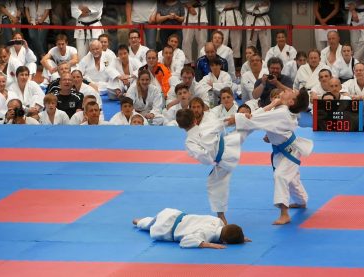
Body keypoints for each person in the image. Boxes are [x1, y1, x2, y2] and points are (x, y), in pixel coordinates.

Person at [227, 88, 312, 225]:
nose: (286, 89)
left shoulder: (281, 112)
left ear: (291, 101)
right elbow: (272, 123)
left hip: (289, 151)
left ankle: (284, 214)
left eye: (291, 91)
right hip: (282, 150)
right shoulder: (280, 110)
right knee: (292, 179)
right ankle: (302, 201)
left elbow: (256, 119)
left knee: (281, 176)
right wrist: (271, 135)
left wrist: (236, 119)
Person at [176, 108, 245, 224]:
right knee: (247, 125)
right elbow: (227, 121)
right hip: (230, 143)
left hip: (225, 160)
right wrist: (242, 117)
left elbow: (205, 158)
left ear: (180, 126)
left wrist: (212, 159)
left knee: (214, 183)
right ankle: (268, 108)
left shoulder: (189, 142)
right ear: (195, 120)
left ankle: (221, 217)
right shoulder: (205, 125)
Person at [132, 208, 249, 248]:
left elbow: (229, 231)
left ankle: (140, 221)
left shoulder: (218, 221)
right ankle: (140, 222)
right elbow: (184, 241)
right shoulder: (207, 234)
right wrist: (207, 244)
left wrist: (239, 237)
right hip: (165, 229)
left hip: (173, 214)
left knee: (148, 222)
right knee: (149, 225)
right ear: (224, 241)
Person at [216, 0, 243, 66]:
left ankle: (235, 64)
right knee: (222, 41)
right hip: (224, 16)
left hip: (235, 15)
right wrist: (226, 6)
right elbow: (217, 5)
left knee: (236, 41)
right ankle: (221, 61)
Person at [182, 0, 208, 65]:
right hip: (187, 14)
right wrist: (189, 6)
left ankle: (201, 63)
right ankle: (187, 63)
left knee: (202, 42)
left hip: (201, 15)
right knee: (186, 41)